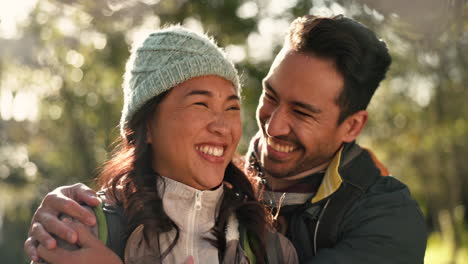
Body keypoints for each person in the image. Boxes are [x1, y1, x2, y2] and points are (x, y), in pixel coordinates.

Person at [25, 15, 427, 263]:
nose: (273, 125)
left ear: (352, 126)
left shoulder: (386, 219)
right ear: (145, 125)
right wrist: (67, 212)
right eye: (269, 97)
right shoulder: (90, 226)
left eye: (302, 112)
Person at [27, 26, 298, 264]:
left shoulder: (271, 251)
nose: (222, 127)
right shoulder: (82, 229)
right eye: (201, 104)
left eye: (231, 107)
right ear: (147, 127)